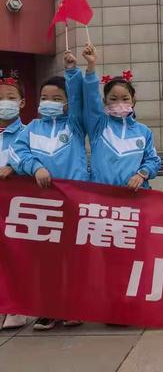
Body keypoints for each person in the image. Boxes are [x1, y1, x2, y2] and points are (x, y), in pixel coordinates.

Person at [9, 51, 87, 331]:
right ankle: (48, 309)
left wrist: (73, 71)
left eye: (57, 99)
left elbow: (82, 102)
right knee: (45, 260)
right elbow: (17, 155)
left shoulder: (75, 126)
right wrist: (36, 167)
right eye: (45, 98)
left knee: (73, 258)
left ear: (67, 103)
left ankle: (74, 307)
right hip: (42, 206)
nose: (50, 103)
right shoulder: (30, 129)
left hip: (73, 201)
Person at [81, 44, 160, 189]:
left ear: (133, 101)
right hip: (102, 198)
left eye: (125, 99)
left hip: (134, 200)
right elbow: (90, 97)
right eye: (113, 99)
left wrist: (141, 174)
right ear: (104, 102)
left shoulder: (144, 132)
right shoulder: (99, 125)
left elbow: (153, 161)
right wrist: (91, 66)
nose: (119, 103)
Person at [0, 76, 27, 330]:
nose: (4, 102)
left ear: (21, 103)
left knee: (15, 258)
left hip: (15, 208)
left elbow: (34, 161)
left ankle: (16, 308)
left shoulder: (28, 133)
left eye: (10, 97)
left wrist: (14, 166)